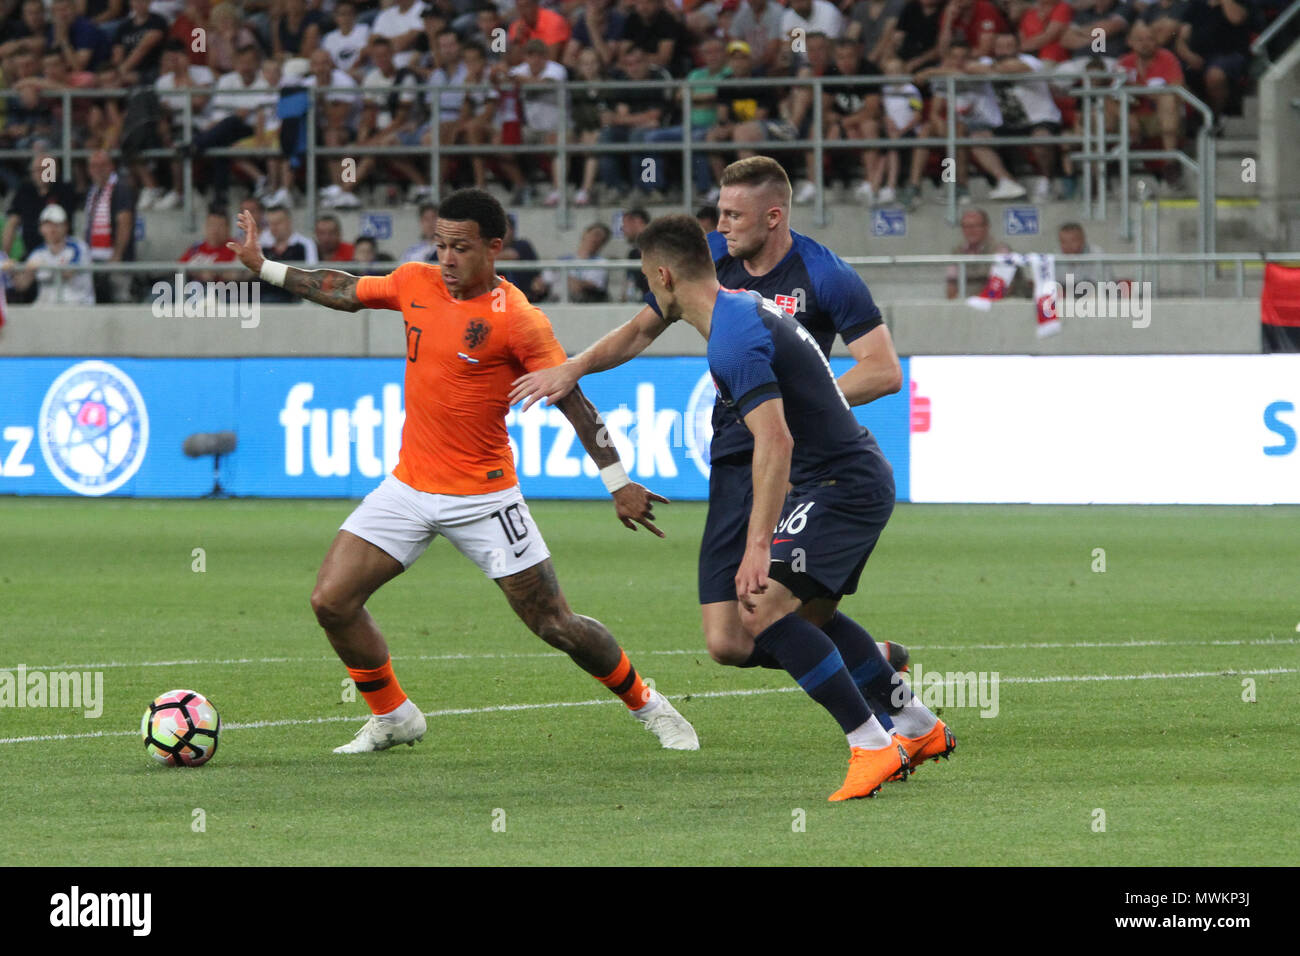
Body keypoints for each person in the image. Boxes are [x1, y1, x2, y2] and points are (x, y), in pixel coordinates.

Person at [223, 188, 698, 755]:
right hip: (408, 486)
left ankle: (648, 704)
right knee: (331, 601)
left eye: (461, 248)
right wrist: (266, 267)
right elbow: (345, 290)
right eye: (440, 245)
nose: (446, 259)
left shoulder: (519, 320)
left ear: (493, 247)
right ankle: (394, 716)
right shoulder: (414, 282)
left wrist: (618, 483)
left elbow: (575, 401)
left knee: (555, 625)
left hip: (485, 498)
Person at [510, 158, 939, 771]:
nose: (723, 225)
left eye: (734, 215)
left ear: (774, 215)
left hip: (791, 456)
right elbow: (639, 330)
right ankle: (872, 665)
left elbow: (884, 370)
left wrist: (803, 404)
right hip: (735, 456)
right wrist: (573, 367)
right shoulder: (706, 261)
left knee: (768, 609)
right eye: (718, 213)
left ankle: (879, 737)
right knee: (727, 643)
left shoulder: (826, 275)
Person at [635, 212, 953, 799]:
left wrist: (758, 547)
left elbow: (774, 439)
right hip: (846, 479)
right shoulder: (741, 310)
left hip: (837, 485)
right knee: (812, 619)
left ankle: (872, 746)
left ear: (663, 276)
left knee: (759, 610)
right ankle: (916, 725)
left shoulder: (731, 338)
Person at [3, 204, 96, 306]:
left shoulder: (78, 247)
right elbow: (22, 285)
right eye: (47, 225)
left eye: (56, 224)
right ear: (41, 229)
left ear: (65, 226)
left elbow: (68, 273)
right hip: (46, 305)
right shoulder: (38, 252)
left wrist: (43, 265)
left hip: (77, 304)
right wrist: (13, 272)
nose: (52, 229)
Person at [83, 149, 136, 304]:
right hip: (96, 260)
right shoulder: (93, 192)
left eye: (102, 165)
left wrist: (117, 255)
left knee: (119, 302)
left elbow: (124, 223)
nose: (97, 170)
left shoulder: (121, 188)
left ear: (111, 166)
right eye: (93, 166)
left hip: (115, 261)